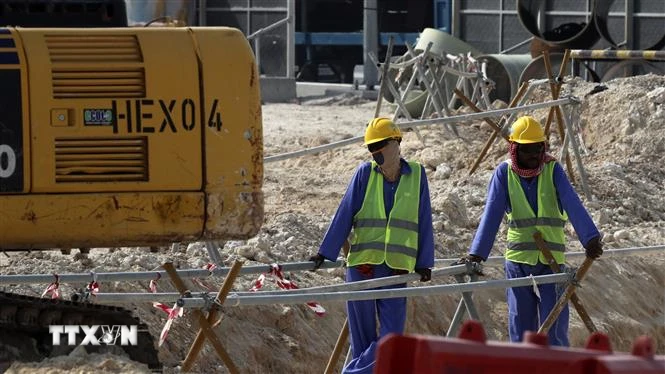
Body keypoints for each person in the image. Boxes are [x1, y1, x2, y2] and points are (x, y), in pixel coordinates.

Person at [460, 115, 603, 346]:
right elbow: (492, 214)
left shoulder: (553, 170)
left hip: (552, 263)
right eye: (527, 150)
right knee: (521, 324)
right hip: (518, 260)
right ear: (515, 149)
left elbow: (572, 203)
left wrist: (590, 238)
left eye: (538, 148)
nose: (534, 155)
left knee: (554, 326)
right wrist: (477, 254)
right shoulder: (503, 174)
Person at [309, 117, 434, 374]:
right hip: (361, 268)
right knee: (362, 341)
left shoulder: (418, 175)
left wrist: (424, 262)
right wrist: (325, 252)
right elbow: (344, 213)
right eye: (371, 147)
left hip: (397, 270)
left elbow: (424, 219)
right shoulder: (364, 174)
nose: (376, 151)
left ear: (396, 142)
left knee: (392, 340)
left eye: (380, 144)